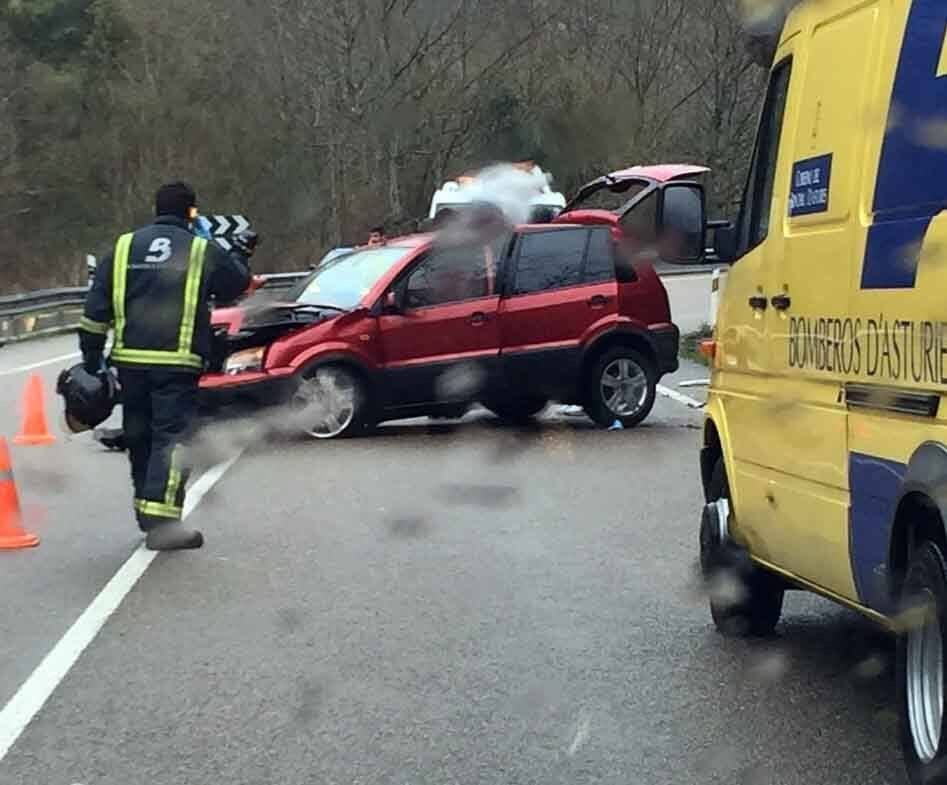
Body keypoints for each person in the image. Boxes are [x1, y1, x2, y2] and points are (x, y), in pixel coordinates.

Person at [78, 182, 254, 550]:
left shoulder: (123, 247)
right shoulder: (200, 249)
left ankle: (146, 513)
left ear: (156, 209)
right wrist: (239, 253)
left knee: (140, 437)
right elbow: (235, 285)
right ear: (191, 212)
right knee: (173, 441)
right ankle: (163, 526)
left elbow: (95, 313)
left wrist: (92, 363)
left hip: (130, 363)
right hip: (177, 363)